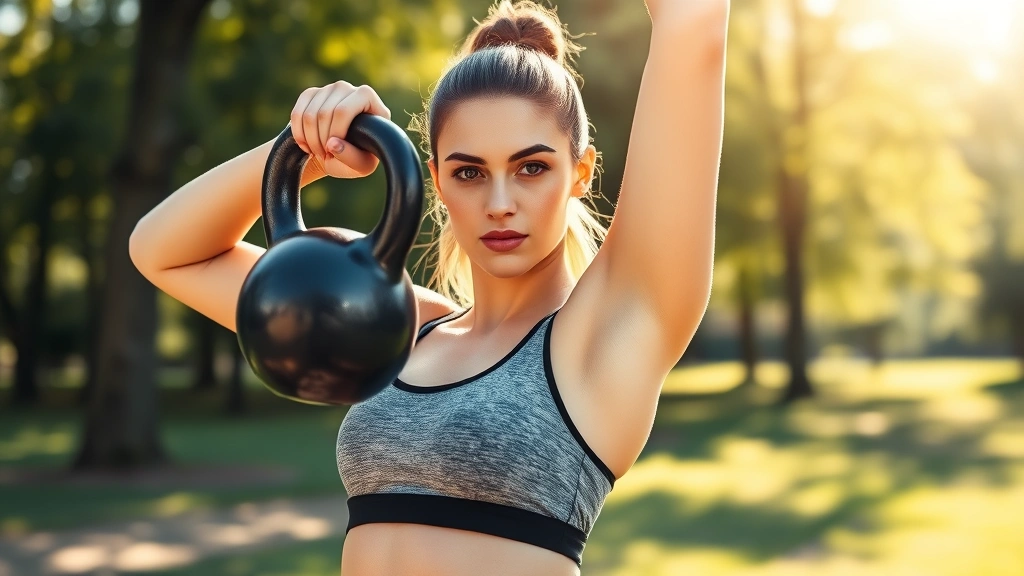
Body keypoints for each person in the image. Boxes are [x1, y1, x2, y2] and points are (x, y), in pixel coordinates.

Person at [128, 0, 728, 573]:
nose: (499, 204)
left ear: (580, 173)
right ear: (435, 180)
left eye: (532, 168)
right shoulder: (399, 327)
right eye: (469, 172)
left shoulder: (604, 340)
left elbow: (695, 21)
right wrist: (311, 147)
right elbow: (163, 251)